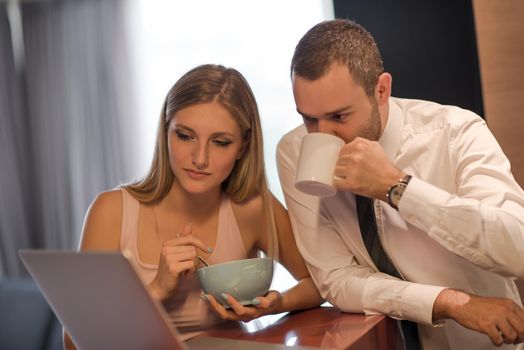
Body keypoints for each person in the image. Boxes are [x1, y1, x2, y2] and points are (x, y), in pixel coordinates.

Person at [277, 19, 524, 350]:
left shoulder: (456, 132)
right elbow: (336, 280)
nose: (321, 135)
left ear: (381, 90)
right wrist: (446, 301)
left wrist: (399, 188)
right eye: (308, 118)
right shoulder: (293, 152)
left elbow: (517, 249)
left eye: (338, 117)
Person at [64, 64, 323, 349]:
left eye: (221, 142)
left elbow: (321, 282)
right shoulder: (111, 212)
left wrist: (276, 303)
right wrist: (157, 290)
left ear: (243, 146)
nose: (200, 158)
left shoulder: (252, 207)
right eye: (185, 136)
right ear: (165, 131)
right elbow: (73, 341)